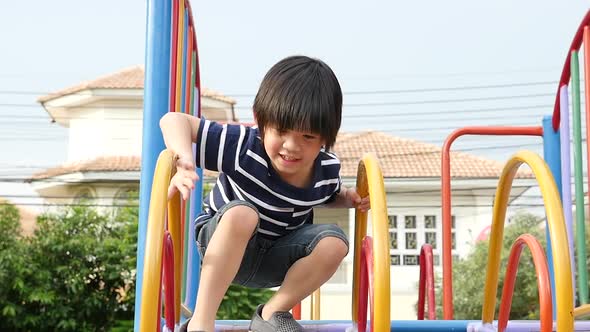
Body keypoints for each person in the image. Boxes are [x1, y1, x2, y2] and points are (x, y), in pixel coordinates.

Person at [160, 55, 370, 332]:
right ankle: (201, 321)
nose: (291, 146)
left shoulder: (326, 170)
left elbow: (330, 196)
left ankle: (272, 313)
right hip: (222, 243)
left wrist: (350, 199)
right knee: (243, 213)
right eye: (281, 131)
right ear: (260, 120)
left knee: (335, 242)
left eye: (308, 137)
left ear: (326, 137)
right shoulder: (241, 147)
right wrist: (184, 159)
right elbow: (173, 120)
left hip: (278, 258)